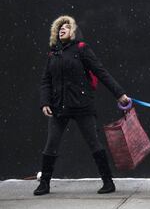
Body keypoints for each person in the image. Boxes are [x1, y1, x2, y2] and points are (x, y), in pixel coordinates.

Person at [35, 15, 130, 196]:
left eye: (66, 26)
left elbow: (101, 72)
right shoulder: (53, 53)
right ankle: (44, 184)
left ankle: (108, 182)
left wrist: (119, 94)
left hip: (82, 105)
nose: (62, 29)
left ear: (74, 31)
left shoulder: (81, 49)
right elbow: (46, 81)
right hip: (58, 107)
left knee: (94, 143)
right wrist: (45, 102)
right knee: (51, 145)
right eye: (59, 27)